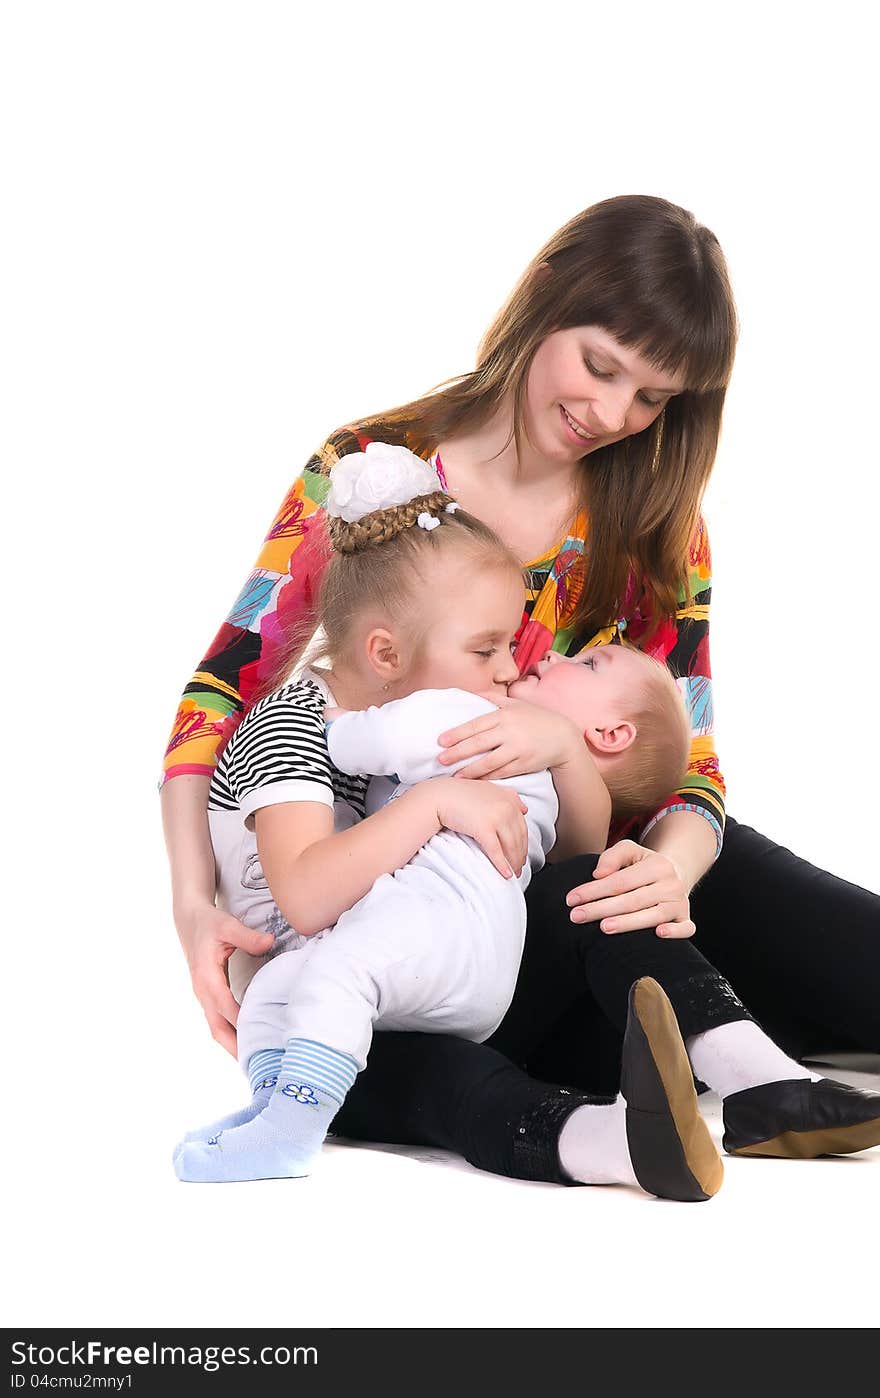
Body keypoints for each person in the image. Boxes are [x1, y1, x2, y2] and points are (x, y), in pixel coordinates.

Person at [161, 194, 880, 1186]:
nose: (612, 415)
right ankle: (602, 1120)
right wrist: (195, 908)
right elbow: (222, 697)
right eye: (600, 366)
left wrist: (665, 867)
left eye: (650, 398)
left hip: (608, 913)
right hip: (413, 927)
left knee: (828, 957)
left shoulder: (656, 526)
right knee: (325, 1026)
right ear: (545, 297)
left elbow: (696, 775)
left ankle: (751, 1073)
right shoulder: (372, 470)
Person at [173, 444, 718, 1198]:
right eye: (486, 648)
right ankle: (617, 1142)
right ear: (387, 653)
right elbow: (303, 895)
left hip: (421, 963)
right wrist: (435, 805)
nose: (509, 668)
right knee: (451, 1078)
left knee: (598, 891)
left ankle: (731, 1063)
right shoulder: (296, 724)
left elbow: (571, 854)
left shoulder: (434, 718)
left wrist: (561, 747)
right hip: (326, 1002)